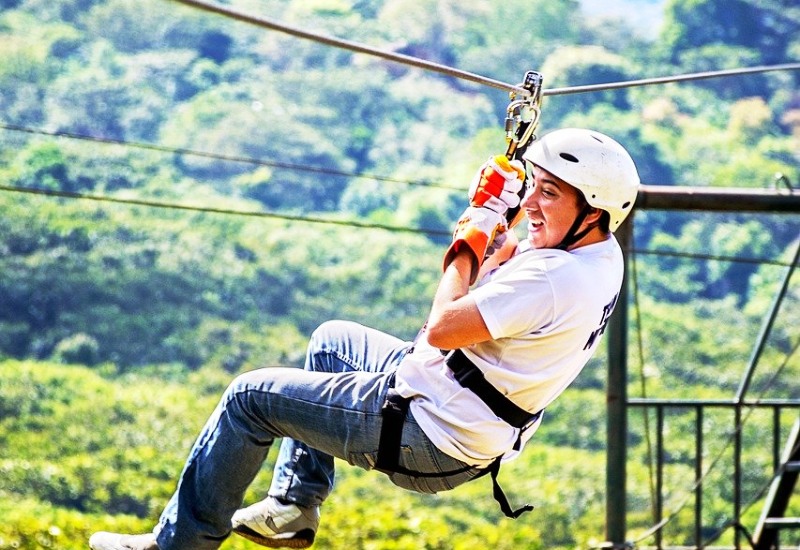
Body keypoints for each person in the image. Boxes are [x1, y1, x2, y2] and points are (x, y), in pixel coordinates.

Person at [89, 127, 640, 550]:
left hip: (431, 433)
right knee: (333, 341)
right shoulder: (598, 255)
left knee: (248, 399)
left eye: (551, 194)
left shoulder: (553, 279)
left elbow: (444, 326)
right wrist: (506, 219)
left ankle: (174, 546)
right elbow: (515, 263)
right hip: (466, 408)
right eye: (536, 190)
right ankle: (294, 505)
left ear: (592, 212)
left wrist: (471, 235)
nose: (536, 206)